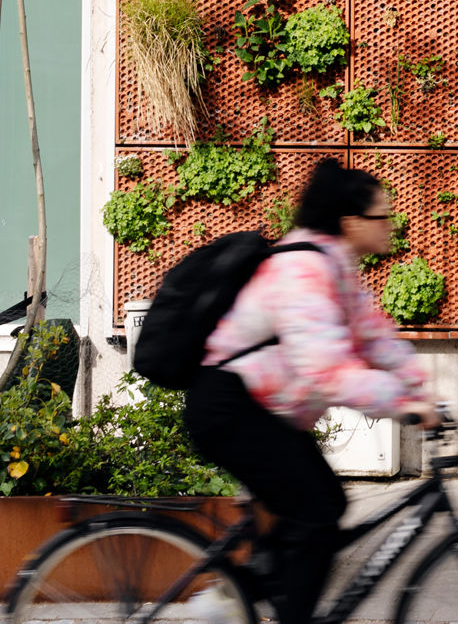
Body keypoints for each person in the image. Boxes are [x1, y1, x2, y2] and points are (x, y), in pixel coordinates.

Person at [183, 157, 439, 624]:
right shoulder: (303, 269)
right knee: (316, 510)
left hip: (261, 409)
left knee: (324, 505)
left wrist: (420, 390)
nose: (391, 226)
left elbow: (372, 335)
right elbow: (327, 370)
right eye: (383, 216)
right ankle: (247, 601)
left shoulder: (334, 264)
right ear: (350, 222)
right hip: (229, 406)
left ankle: (238, 594)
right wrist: (404, 403)